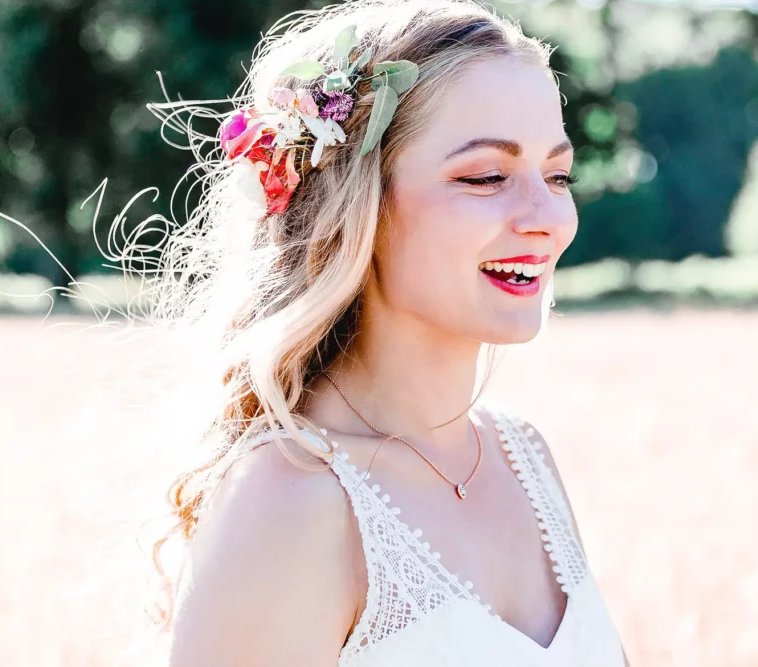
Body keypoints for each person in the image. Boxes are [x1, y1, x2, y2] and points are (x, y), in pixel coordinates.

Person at [150, 1, 630, 664]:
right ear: (355, 205)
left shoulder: (525, 458)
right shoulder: (290, 500)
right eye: (486, 176)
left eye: (556, 174)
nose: (548, 216)